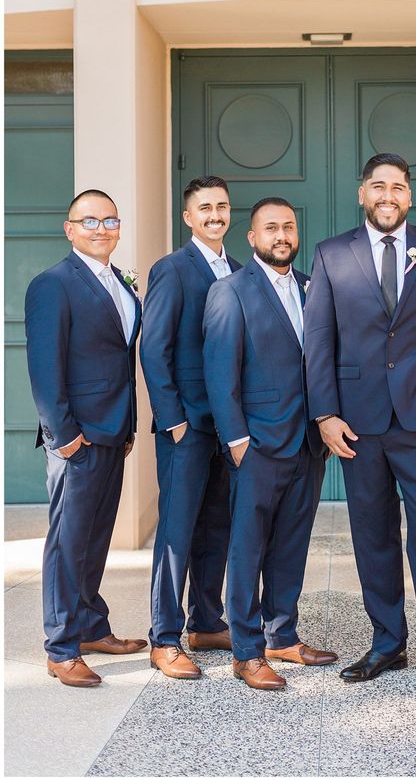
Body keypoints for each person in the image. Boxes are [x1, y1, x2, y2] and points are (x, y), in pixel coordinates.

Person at [304, 153, 416, 697]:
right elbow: (319, 342)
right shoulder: (331, 255)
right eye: (378, 186)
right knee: (372, 535)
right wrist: (325, 414)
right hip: (358, 422)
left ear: (409, 196)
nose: (388, 195)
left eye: (398, 187)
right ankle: (387, 642)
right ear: (362, 194)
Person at [203, 198, 336, 690]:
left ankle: (282, 634)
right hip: (256, 444)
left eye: (289, 226)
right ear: (252, 238)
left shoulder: (312, 287)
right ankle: (245, 649)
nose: (282, 235)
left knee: (291, 544)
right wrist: (237, 441)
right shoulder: (230, 291)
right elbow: (220, 372)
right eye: (271, 228)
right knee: (247, 547)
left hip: (307, 443)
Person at [25, 189, 146, 687]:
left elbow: (120, 361)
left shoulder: (120, 282)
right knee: (67, 541)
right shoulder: (52, 284)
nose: (102, 228)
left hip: (114, 432)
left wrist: (129, 425)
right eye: (90, 220)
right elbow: (43, 369)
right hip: (77, 437)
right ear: (70, 228)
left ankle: (92, 625)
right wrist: (64, 435)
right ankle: (61, 646)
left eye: (110, 220)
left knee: (97, 538)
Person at [141, 176, 240, 679]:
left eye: (221, 207)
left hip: (228, 430)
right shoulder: (172, 270)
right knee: (178, 531)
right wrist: (173, 420)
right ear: (188, 217)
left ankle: (206, 620)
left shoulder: (242, 271)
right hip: (186, 427)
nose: (215, 215)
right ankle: (164, 636)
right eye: (205, 208)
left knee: (216, 527)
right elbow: (152, 349)